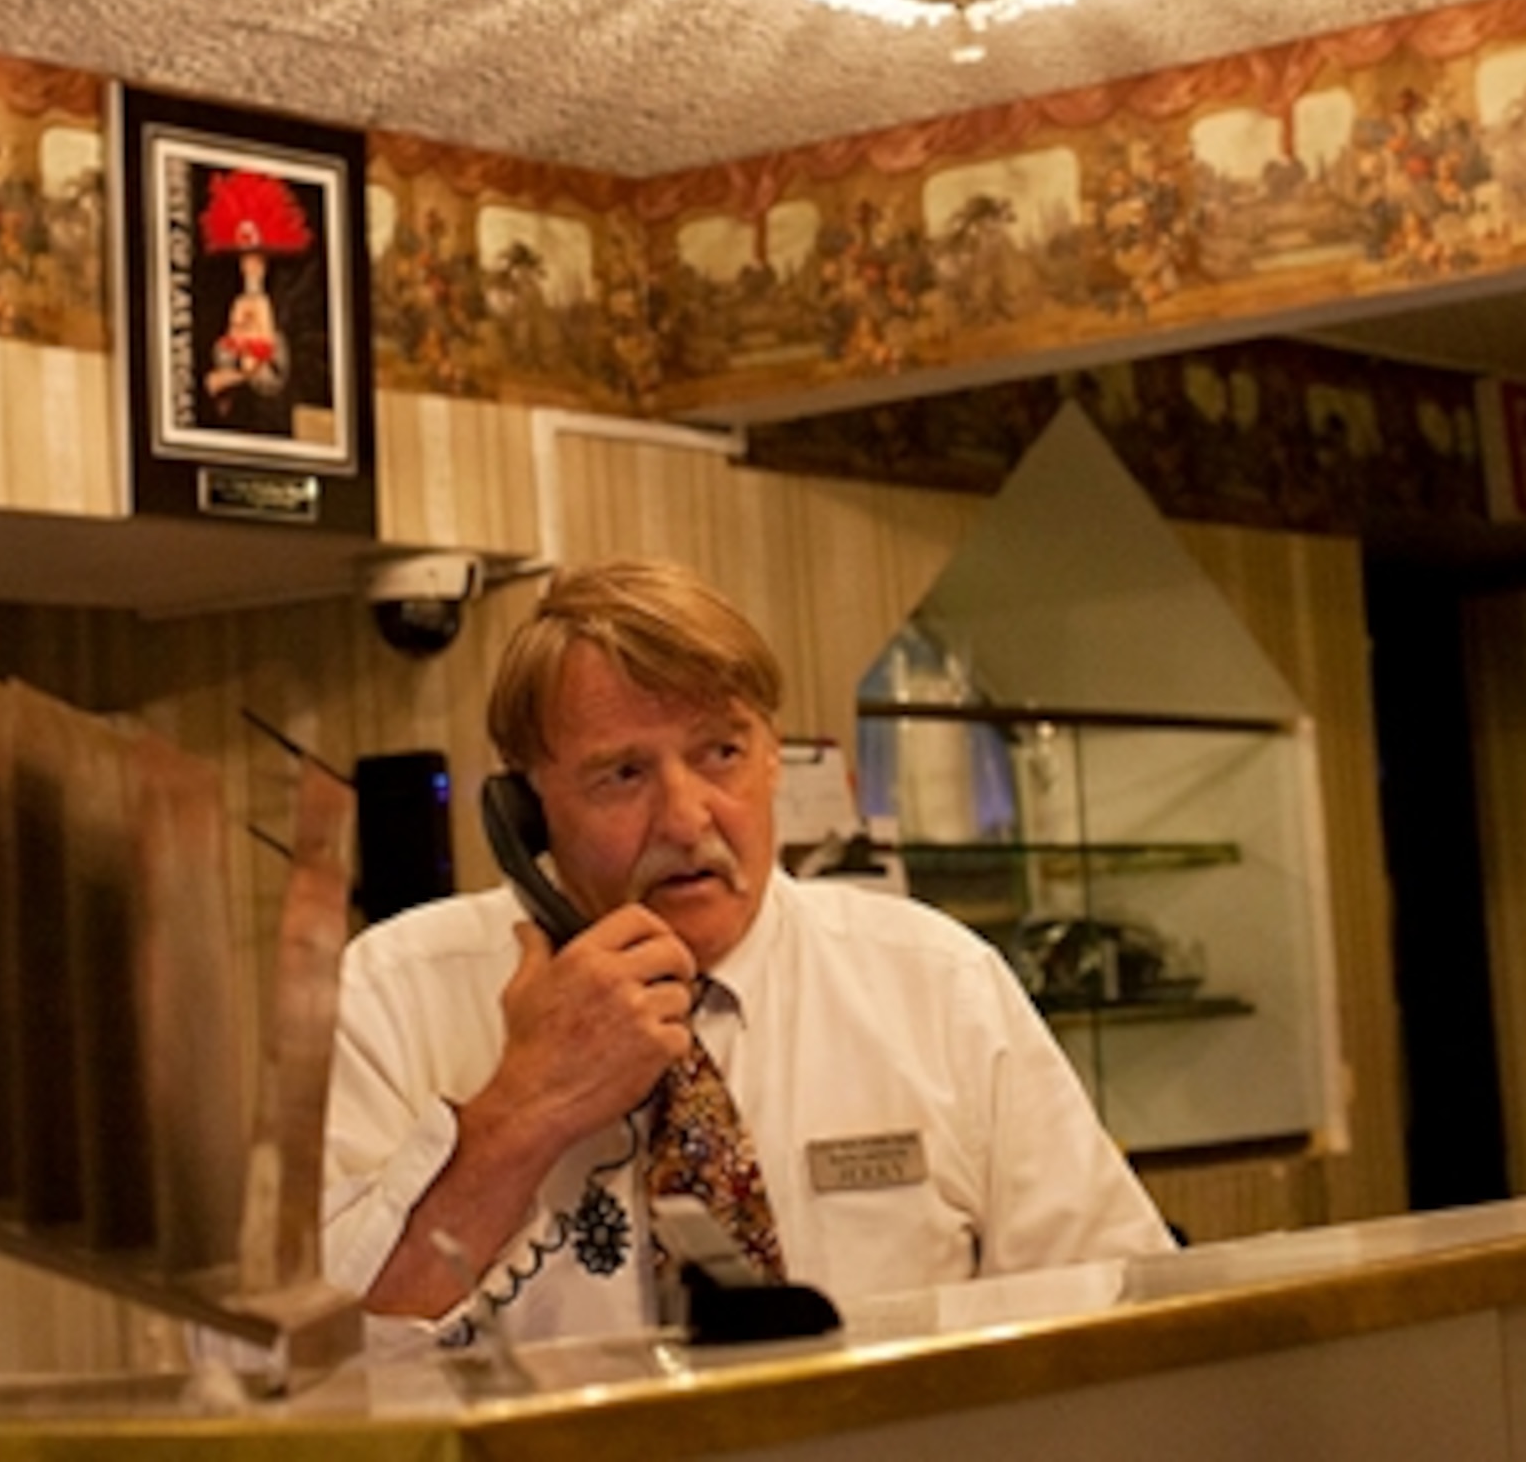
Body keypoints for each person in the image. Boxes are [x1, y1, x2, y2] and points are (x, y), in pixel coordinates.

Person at [321, 559, 1172, 1346]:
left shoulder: (939, 984)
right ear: (526, 809)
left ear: (772, 757)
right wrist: (527, 1106)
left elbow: (1117, 1315)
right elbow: (315, 1372)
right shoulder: (392, 995)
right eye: (623, 774)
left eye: (720, 752)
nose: (688, 819)